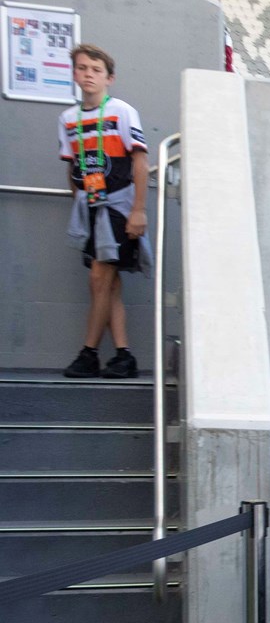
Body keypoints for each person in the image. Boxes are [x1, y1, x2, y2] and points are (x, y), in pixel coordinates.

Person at [58, 44, 150, 379]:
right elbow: (71, 169)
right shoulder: (68, 119)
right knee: (106, 284)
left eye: (96, 70)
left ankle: (89, 353)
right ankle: (124, 355)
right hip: (90, 208)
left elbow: (140, 161)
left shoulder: (122, 112)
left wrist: (138, 210)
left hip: (118, 205)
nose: (88, 75)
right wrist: (78, 203)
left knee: (99, 277)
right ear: (74, 73)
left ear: (109, 78)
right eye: (82, 68)